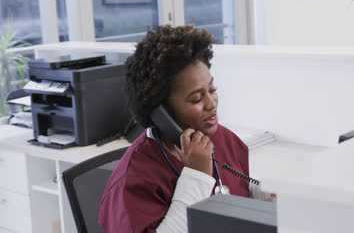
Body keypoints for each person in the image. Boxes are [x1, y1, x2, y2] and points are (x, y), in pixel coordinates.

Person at [99, 25, 273, 233]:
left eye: (212, 89)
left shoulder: (222, 139)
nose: (211, 103)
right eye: (197, 98)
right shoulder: (133, 180)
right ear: (161, 111)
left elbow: (236, 190)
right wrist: (197, 175)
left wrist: (260, 195)